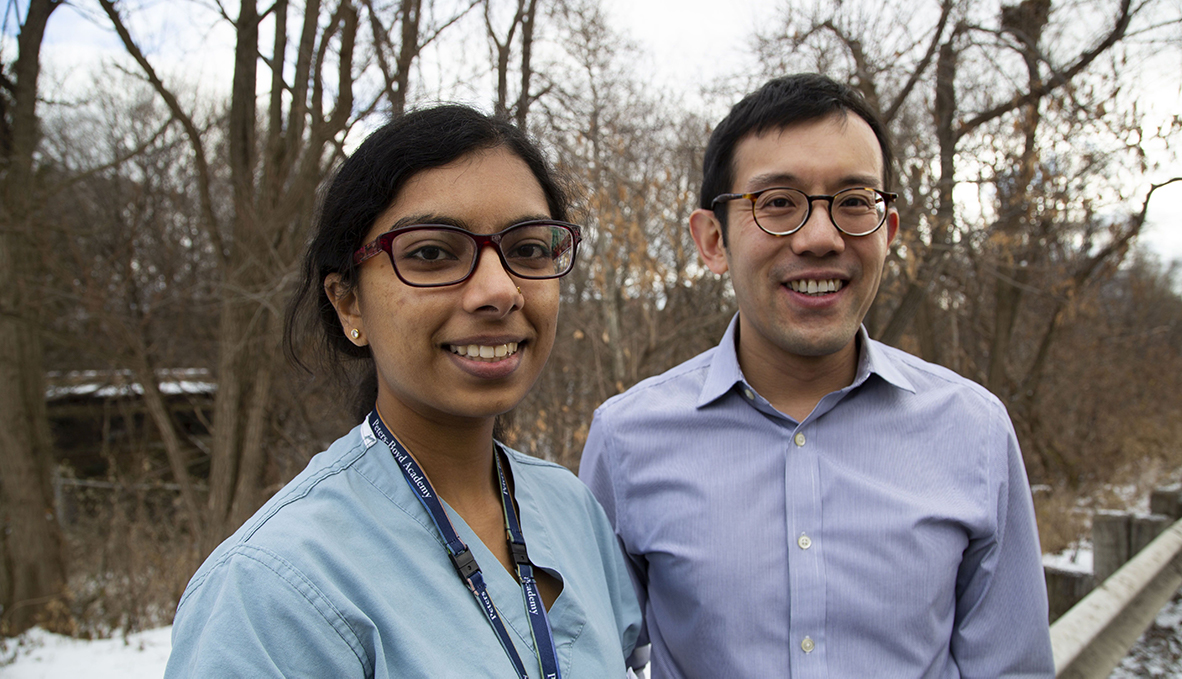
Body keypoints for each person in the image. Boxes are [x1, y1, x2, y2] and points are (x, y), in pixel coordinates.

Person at [579, 74, 1054, 678]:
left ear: (888, 232)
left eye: (855, 202)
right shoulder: (627, 441)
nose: (821, 238)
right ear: (712, 240)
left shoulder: (975, 432)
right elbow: (594, 659)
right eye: (778, 203)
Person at [166, 105, 642, 677]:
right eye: (432, 253)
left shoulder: (571, 510)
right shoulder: (271, 589)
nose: (499, 290)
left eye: (527, 249)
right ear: (348, 303)